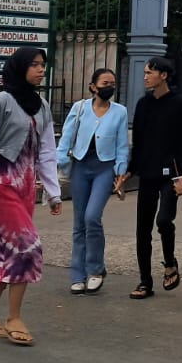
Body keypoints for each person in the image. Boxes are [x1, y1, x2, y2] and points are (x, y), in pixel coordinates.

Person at [0, 46, 62, 343]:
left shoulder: (42, 105)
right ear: (20, 67)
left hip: (25, 188)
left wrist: (53, 192)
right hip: (1, 185)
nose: (41, 69)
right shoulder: (1, 102)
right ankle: (14, 317)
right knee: (27, 247)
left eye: (42, 65)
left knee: (4, 251)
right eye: (34, 64)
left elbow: (48, 151)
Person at [125, 56, 182, 299]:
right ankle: (145, 281)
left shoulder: (180, 104)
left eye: (150, 72)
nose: (145, 76)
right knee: (142, 229)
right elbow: (139, 141)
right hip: (147, 172)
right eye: (145, 72)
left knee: (164, 220)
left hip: (172, 174)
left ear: (163, 75)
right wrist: (128, 171)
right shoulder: (143, 104)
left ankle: (170, 263)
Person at [56, 67, 129, 294]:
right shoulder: (79, 108)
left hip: (104, 169)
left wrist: (121, 171)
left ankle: (95, 269)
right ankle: (78, 274)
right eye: (105, 83)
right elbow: (66, 137)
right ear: (93, 86)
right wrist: (58, 162)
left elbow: (122, 145)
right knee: (79, 222)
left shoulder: (120, 112)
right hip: (80, 166)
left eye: (112, 83)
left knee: (92, 217)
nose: (109, 87)